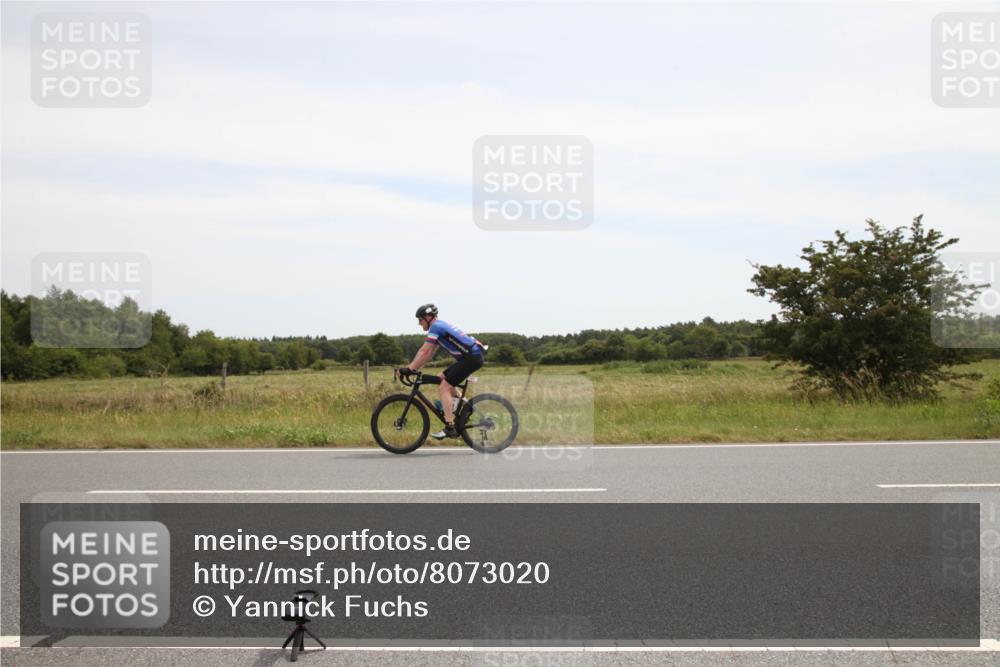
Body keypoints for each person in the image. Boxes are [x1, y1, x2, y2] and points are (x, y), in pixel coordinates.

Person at [400, 304, 485, 439]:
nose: (419, 323)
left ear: (428, 317)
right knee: (441, 378)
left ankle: (450, 427)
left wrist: (410, 369)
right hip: (469, 358)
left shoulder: (436, 327)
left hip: (471, 358)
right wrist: (414, 368)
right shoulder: (439, 327)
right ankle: (464, 408)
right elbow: (429, 354)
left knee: (444, 387)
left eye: (420, 320)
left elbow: (424, 351)